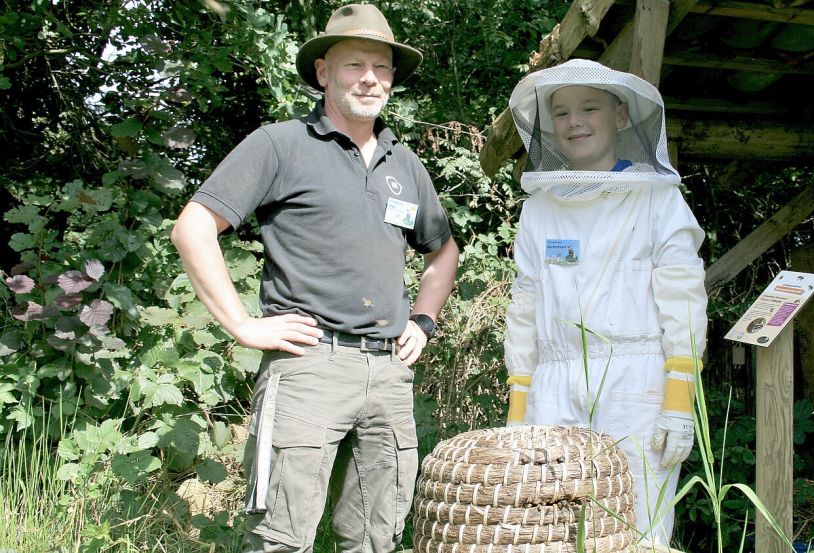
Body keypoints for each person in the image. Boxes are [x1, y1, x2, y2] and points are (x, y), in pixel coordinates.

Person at [170, 4, 458, 552]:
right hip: (308, 366)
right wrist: (243, 326)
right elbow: (193, 229)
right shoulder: (280, 145)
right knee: (282, 538)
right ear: (324, 72)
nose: (370, 78)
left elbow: (443, 253)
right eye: (354, 65)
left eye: (382, 66)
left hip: (389, 372)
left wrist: (424, 319)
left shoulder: (406, 165)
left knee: (377, 538)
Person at [502, 59, 707, 549]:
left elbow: (682, 298)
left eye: (588, 107)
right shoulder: (539, 207)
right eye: (561, 112)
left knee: (638, 528)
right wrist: (518, 407)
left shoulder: (658, 200)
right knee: (550, 529)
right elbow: (526, 306)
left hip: (636, 384)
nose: (574, 122)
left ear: (619, 116)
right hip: (551, 385)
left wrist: (679, 399)